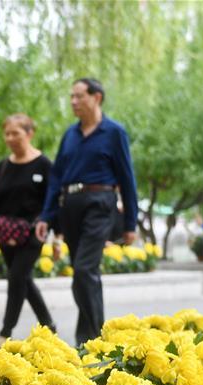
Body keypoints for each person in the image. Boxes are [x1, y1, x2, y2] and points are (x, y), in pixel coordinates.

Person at [34, 78, 138, 346]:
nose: (73, 101)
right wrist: (46, 215)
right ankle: (95, 339)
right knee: (84, 274)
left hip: (99, 203)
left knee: (84, 269)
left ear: (97, 97)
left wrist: (130, 223)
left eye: (79, 96)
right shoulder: (70, 134)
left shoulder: (114, 132)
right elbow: (56, 178)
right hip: (70, 206)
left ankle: (91, 339)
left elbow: (127, 177)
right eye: (71, 96)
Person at [0, 114, 55, 346]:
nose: (10, 138)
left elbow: (53, 201)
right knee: (23, 280)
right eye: (7, 134)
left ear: (30, 133)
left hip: (33, 234)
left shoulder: (44, 165)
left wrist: (56, 234)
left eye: (16, 133)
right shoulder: (2, 167)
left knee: (16, 277)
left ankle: (6, 331)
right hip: (6, 235)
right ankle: (48, 324)